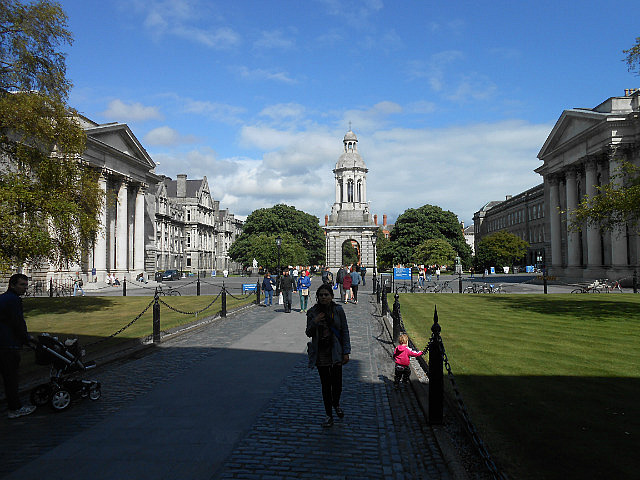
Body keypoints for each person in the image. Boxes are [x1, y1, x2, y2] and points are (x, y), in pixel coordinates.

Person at [305, 283, 351, 428]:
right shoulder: (312, 312)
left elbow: (344, 331)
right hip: (321, 352)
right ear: (317, 297)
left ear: (331, 296)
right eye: (321, 295)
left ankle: (335, 403)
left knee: (337, 384)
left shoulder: (338, 310)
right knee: (326, 385)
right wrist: (315, 322)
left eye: (326, 295)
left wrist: (346, 351)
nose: (323, 297)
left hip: (336, 350)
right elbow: (308, 333)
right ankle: (329, 415)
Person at [0, 274, 36, 418]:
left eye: (26, 285)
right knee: (11, 379)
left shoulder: (3, 298)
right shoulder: (13, 300)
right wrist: (26, 338)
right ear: (12, 285)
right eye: (22, 285)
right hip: (8, 345)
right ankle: (15, 408)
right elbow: (18, 322)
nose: (25, 288)